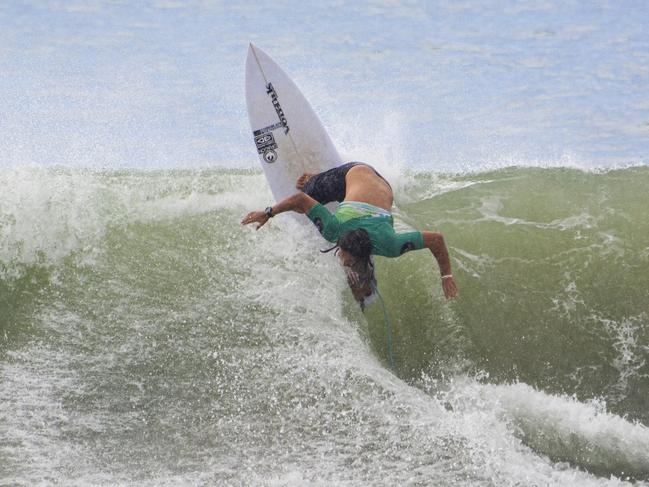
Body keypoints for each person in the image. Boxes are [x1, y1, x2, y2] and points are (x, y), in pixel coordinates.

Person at [241, 162, 458, 300]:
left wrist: (446, 276)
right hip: (356, 172)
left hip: (383, 185)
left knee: (317, 206)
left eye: (343, 256)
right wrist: (269, 213)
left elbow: (437, 240)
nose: (340, 255)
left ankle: (333, 191)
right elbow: (300, 199)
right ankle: (315, 177)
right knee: (306, 191)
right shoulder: (334, 230)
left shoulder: (389, 244)